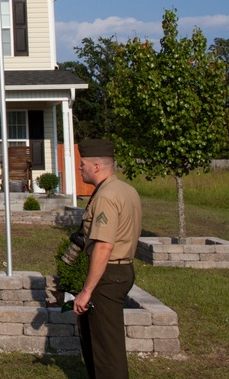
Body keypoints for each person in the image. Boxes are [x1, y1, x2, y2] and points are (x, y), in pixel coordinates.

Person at [72, 138, 142, 379]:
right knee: (103, 341)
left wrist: (87, 291)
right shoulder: (126, 190)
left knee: (106, 349)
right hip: (123, 270)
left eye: (82, 164)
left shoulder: (105, 197)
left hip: (108, 274)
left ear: (96, 166)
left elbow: (103, 247)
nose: (79, 168)